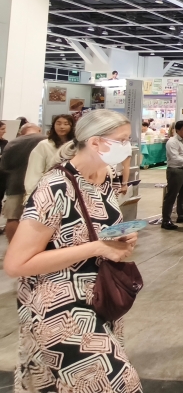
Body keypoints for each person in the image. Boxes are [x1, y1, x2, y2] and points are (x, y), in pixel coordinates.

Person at [3, 110, 141, 392]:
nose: (127, 147)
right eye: (121, 140)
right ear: (95, 142)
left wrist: (121, 236)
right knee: (118, 384)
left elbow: (96, 226)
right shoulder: (54, 186)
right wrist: (98, 247)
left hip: (99, 297)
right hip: (59, 307)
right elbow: (16, 264)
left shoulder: (105, 177)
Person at [0, 123, 44, 241]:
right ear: (38, 130)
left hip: (15, 185)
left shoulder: (12, 143)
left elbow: (4, 167)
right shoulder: (45, 141)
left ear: (21, 132)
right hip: (40, 185)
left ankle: (13, 246)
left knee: (13, 217)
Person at [25, 114, 77, 200]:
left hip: (72, 187)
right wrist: (31, 193)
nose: (62, 127)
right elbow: (34, 171)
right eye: (58, 123)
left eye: (66, 124)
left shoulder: (77, 145)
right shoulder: (44, 145)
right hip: (48, 188)